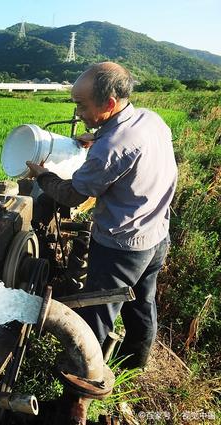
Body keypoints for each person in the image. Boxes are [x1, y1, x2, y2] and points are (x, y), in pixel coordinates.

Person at [25, 62, 177, 369]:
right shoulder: (150, 119)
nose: (78, 113)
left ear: (108, 103)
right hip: (156, 234)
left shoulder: (112, 147)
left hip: (120, 247)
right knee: (142, 302)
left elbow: (71, 194)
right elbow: (129, 149)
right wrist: (96, 137)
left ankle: (81, 380)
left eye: (81, 105)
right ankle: (135, 362)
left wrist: (43, 175)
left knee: (96, 313)